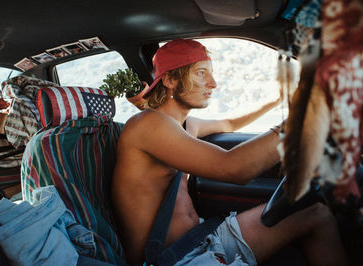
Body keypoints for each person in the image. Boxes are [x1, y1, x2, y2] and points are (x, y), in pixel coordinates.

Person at [111, 38, 347, 265]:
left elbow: (229, 125)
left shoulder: (186, 125)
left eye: (211, 73)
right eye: (201, 73)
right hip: (173, 258)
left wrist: (276, 102)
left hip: (203, 238)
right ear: (170, 80)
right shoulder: (146, 125)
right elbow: (234, 169)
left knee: (316, 214)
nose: (213, 83)